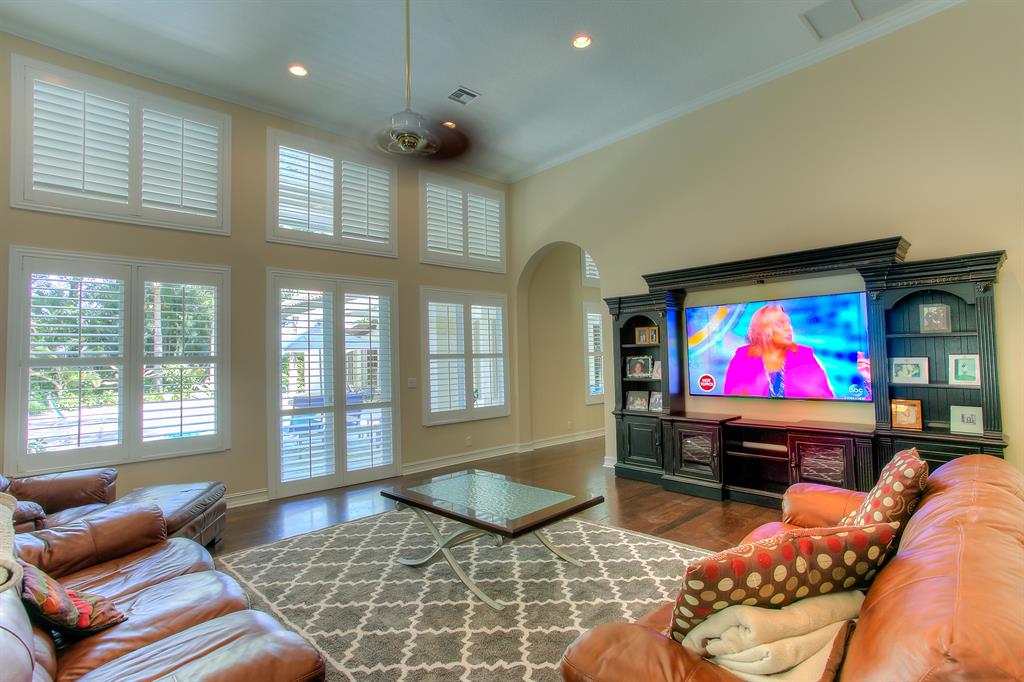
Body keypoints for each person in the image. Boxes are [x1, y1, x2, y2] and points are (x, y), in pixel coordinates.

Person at [723, 305, 836, 399]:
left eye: (788, 323)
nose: (789, 329)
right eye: (780, 324)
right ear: (764, 330)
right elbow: (732, 401)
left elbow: (825, 399)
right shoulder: (743, 358)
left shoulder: (804, 355)